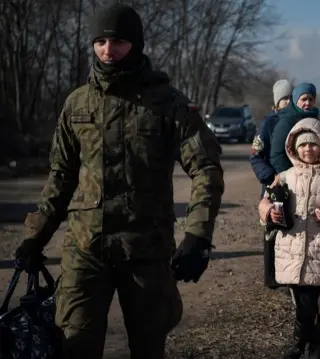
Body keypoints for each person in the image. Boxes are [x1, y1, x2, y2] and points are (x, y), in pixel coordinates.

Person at [13, 4, 224, 358]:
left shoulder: (167, 104)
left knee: (148, 343)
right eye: (100, 42)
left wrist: (198, 235)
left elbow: (205, 167)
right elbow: (61, 176)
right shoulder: (77, 103)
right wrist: (36, 236)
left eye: (119, 41)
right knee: (75, 342)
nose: (108, 51)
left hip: (146, 248)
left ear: (136, 44)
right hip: (85, 248)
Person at [258, 118, 320, 359]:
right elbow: (264, 202)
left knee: (309, 300)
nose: (308, 149)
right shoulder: (284, 177)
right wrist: (269, 212)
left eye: (313, 144)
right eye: (303, 145)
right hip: (290, 249)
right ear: (294, 148)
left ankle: (297, 346)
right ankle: (316, 347)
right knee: (302, 301)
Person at [250, 79, 293, 197]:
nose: (289, 101)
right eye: (285, 98)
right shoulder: (267, 123)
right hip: (274, 184)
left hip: (296, 183)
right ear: (277, 101)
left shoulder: (298, 121)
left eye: (291, 97)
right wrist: (270, 177)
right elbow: (255, 156)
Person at [269, 83, 319, 174]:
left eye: (311, 99)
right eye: (304, 99)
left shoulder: (315, 120)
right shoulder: (287, 121)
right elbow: (277, 155)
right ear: (296, 100)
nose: (307, 103)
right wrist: (291, 176)